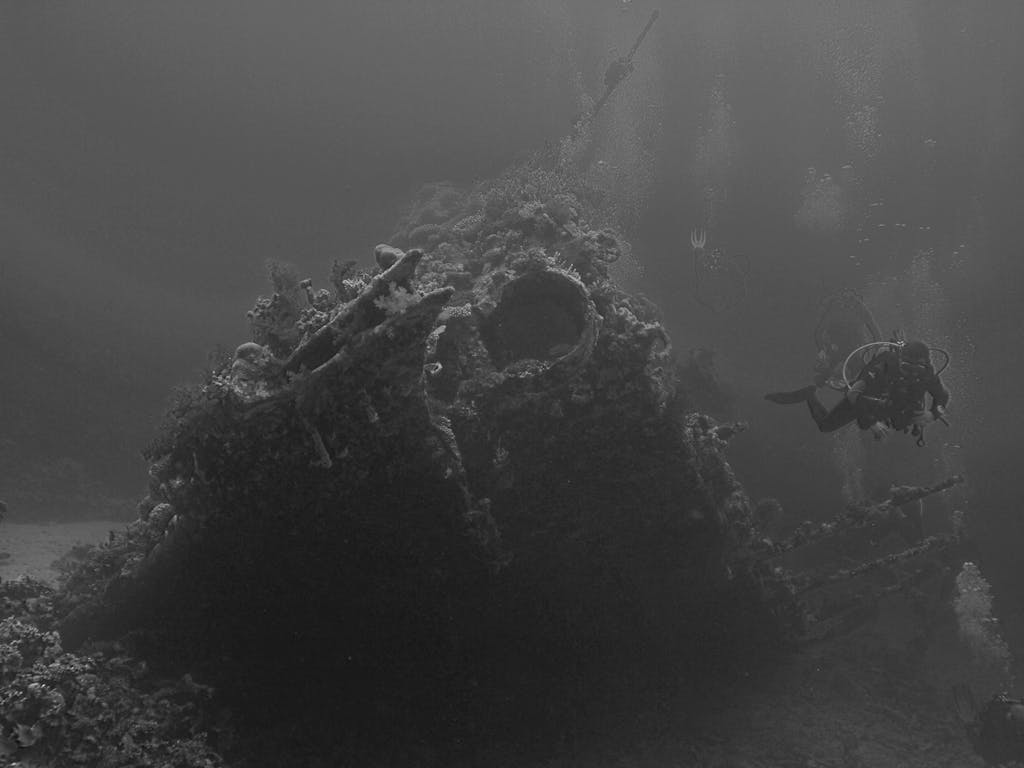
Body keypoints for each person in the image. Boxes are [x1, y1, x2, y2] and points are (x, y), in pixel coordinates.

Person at [765, 339, 950, 444]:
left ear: (926, 364)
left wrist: (933, 414)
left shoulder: (928, 375)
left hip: (892, 405)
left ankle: (882, 419)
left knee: (903, 423)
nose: (912, 372)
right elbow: (853, 394)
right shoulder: (884, 365)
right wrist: (871, 422)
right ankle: (809, 394)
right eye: (908, 366)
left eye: (918, 368)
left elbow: (943, 397)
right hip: (865, 399)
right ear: (900, 359)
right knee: (826, 426)